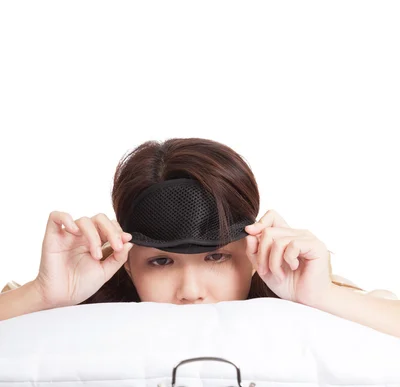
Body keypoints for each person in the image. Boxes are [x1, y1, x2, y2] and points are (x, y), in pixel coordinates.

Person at [0, 137, 397, 324]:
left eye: (215, 256)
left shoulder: (303, 300)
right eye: (161, 261)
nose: (190, 292)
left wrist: (323, 295)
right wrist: (41, 294)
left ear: (254, 254)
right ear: (126, 264)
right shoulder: (76, 308)